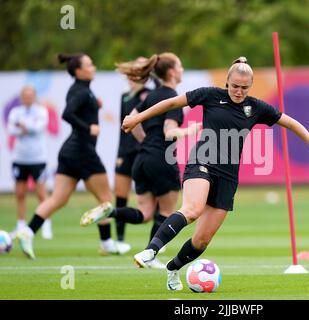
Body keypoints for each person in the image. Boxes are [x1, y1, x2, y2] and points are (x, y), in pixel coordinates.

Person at [120, 56, 309, 290]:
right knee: (192, 209)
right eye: (234, 86)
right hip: (201, 161)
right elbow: (171, 103)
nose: (238, 91)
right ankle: (151, 251)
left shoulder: (256, 108)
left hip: (228, 175)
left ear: (250, 86)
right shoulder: (209, 94)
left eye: (244, 88)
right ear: (227, 81)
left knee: (202, 240)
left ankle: (172, 268)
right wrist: (137, 118)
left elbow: (289, 122)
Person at [80, 53, 201, 269]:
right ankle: (150, 254)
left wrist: (146, 143)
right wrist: (189, 130)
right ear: (172, 72)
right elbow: (168, 131)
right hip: (162, 159)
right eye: (180, 66)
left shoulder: (151, 96)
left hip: (141, 158)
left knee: (145, 213)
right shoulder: (173, 97)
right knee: (166, 211)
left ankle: (111, 212)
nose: (182, 70)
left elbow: (131, 121)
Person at [17, 53, 129, 259]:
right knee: (105, 200)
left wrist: (96, 105)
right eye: (89, 64)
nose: (93, 66)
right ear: (79, 71)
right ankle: (107, 243)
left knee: (58, 199)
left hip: (69, 152)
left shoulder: (84, 90)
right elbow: (67, 113)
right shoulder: (80, 91)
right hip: (83, 152)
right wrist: (89, 128)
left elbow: (78, 108)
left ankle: (28, 232)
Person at [112, 76, 160, 251]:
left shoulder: (149, 94)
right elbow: (123, 124)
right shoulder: (125, 96)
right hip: (125, 151)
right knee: (121, 195)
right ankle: (119, 239)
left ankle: (156, 239)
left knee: (158, 195)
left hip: (143, 150)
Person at [7, 85, 53, 240]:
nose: (27, 98)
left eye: (30, 95)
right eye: (25, 95)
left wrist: (23, 126)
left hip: (38, 158)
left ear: (34, 96)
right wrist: (25, 127)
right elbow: (11, 129)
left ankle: (46, 224)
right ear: (21, 97)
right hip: (19, 158)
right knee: (20, 193)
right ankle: (20, 225)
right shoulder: (15, 112)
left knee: (41, 193)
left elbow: (38, 128)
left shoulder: (41, 111)